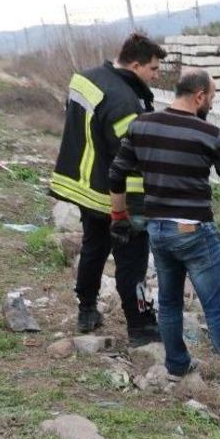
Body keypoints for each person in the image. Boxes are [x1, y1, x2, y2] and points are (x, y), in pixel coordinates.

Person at [108, 68, 220, 395]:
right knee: (217, 308)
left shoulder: (141, 125)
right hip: (195, 232)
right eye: (212, 98)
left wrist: (118, 214)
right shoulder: (208, 134)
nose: (211, 105)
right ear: (199, 95)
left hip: (158, 230)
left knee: (170, 301)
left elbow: (116, 175)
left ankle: (176, 365)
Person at [50, 32, 167, 345]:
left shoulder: (87, 80)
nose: (156, 76)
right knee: (133, 263)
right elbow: (130, 159)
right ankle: (141, 326)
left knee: (94, 249)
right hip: (118, 197)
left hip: (88, 187)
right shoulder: (125, 102)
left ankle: (87, 309)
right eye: (153, 69)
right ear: (135, 64)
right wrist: (131, 209)